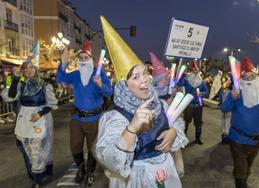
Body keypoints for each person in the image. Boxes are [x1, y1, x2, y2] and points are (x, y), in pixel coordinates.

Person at [96, 16, 188, 188]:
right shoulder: (115, 117)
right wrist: (132, 128)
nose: (145, 80)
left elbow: (177, 122)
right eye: (136, 77)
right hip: (135, 179)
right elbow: (109, 159)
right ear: (124, 86)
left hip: (166, 172)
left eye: (145, 73)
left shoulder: (160, 104)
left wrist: (174, 132)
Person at [1, 41, 58, 188]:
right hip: (23, 119)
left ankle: (37, 179)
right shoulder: (21, 84)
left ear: (37, 69)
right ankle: (34, 173)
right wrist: (15, 79)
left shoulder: (46, 85)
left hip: (40, 119)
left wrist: (40, 113)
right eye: (26, 68)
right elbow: (10, 96)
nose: (28, 70)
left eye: (31, 68)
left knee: (37, 149)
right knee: (26, 147)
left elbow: (52, 104)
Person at [56, 41, 113, 186]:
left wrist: (100, 83)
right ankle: (81, 168)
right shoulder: (75, 75)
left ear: (91, 60)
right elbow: (60, 79)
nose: (82, 60)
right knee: (75, 145)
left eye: (85, 58)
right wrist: (63, 64)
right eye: (80, 58)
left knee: (92, 149)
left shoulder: (99, 74)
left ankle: (90, 172)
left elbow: (109, 91)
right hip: (77, 119)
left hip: (94, 119)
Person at [220, 57, 259, 188]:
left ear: (257, 78)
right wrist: (232, 98)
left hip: (255, 142)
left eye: (251, 76)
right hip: (237, 139)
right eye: (245, 77)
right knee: (241, 168)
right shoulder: (236, 94)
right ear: (241, 79)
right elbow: (224, 108)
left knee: (247, 167)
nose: (248, 80)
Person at [177, 61, 209, 144]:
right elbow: (179, 83)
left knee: (198, 123)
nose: (195, 70)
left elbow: (206, 92)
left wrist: (202, 94)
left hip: (198, 105)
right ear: (191, 70)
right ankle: (183, 138)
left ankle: (198, 139)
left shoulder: (202, 82)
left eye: (197, 69)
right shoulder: (186, 80)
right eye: (194, 69)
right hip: (188, 104)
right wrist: (182, 74)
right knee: (186, 122)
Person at [218, 76, 232, 144]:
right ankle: (224, 135)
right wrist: (220, 104)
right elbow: (220, 97)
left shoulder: (231, 90)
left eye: (228, 81)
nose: (226, 82)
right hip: (223, 108)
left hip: (229, 109)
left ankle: (227, 136)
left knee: (227, 122)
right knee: (223, 122)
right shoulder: (222, 89)